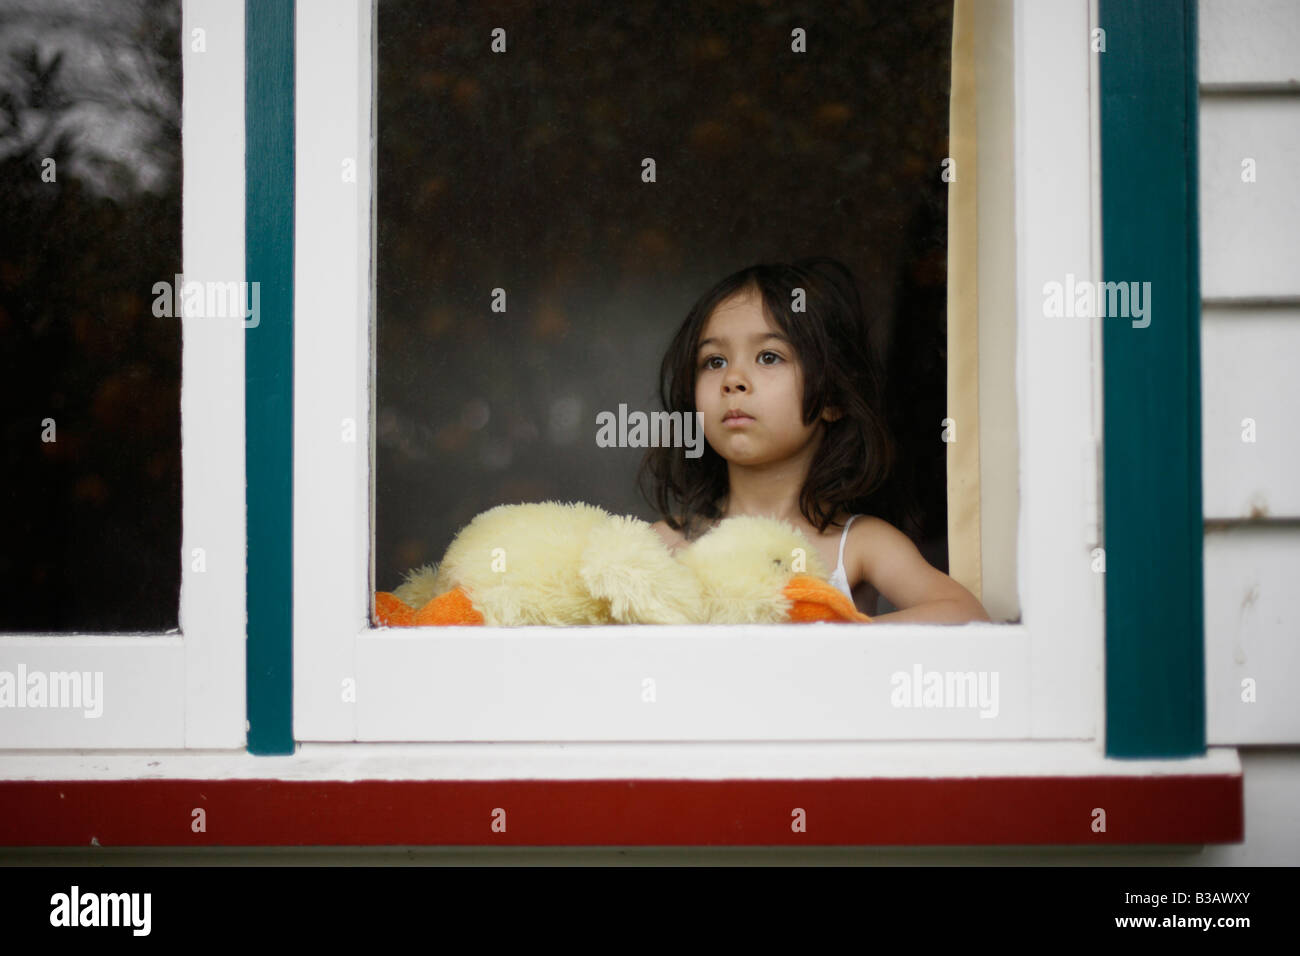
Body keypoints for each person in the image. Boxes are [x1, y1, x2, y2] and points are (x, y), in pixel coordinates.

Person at [638, 257, 990, 624]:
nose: (733, 379)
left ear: (833, 399)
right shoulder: (666, 543)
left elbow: (964, 614)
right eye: (714, 361)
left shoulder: (858, 544)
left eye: (768, 356)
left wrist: (826, 642)